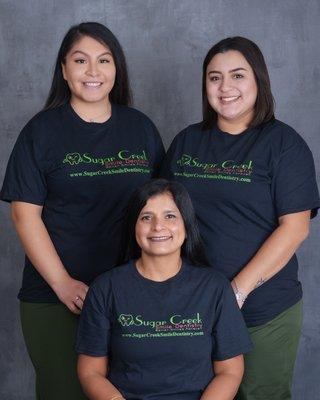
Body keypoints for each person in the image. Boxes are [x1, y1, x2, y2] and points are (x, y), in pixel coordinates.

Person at [0, 22, 164, 400]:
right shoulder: (40, 132)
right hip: (55, 295)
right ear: (63, 69)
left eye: (104, 60)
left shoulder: (140, 129)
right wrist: (63, 284)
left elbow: (162, 210)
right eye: (80, 60)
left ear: (116, 68)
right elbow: (25, 216)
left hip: (131, 294)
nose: (93, 71)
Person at [161, 36, 320, 400]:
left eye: (237, 75)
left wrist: (236, 292)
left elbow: (295, 228)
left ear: (258, 81)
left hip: (262, 310)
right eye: (214, 78)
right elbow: (162, 217)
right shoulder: (187, 142)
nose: (225, 87)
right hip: (191, 311)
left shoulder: (284, 144)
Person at [76, 179, 253, 400]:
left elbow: (230, 372)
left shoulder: (214, 288)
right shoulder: (105, 289)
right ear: (134, 227)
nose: (158, 226)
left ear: (186, 226)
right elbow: (90, 372)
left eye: (170, 216)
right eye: (146, 217)